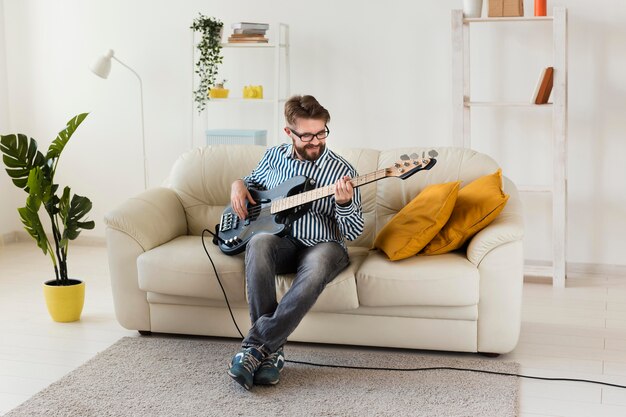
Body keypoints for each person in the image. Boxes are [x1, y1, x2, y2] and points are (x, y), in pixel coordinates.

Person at [227, 95, 364, 390]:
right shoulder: (274, 157)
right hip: (283, 242)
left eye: (322, 132)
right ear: (289, 133)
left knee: (315, 268)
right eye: (307, 135)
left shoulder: (343, 171)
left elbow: (354, 232)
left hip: (324, 245)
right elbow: (252, 183)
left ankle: (255, 347)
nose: (316, 141)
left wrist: (344, 204)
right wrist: (237, 184)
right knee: (259, 242)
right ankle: (271, 353)